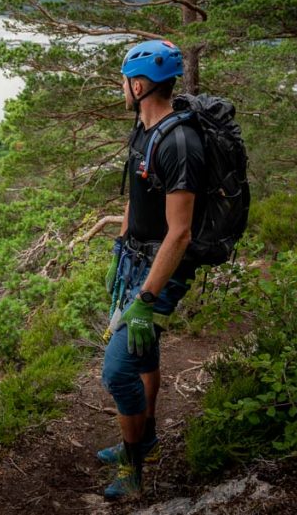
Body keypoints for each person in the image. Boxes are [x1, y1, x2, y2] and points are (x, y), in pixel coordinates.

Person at [98, 39, 204, 499]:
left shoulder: (179, 143)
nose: (121, 88)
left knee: (117, 371)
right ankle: (148, 438)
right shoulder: (143, 128)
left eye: (123, 80)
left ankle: (133, 466)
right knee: (145, 355)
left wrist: (144, 300)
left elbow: (179, 233)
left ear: (138, 85)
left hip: (162, 268)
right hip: (136, 260)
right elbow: (136, 199)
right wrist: (119, 248)